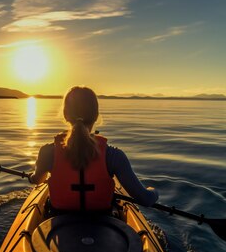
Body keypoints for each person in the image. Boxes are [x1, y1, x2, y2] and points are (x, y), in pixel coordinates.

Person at [29, 86, 157, 211]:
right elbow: (146, 199)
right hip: (103, 223)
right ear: (96, 115)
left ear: (65, 115)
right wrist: (153, 192)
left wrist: (32, 177)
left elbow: (38, 180)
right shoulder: (114, 156)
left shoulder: (47, 152)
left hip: (58, 220)